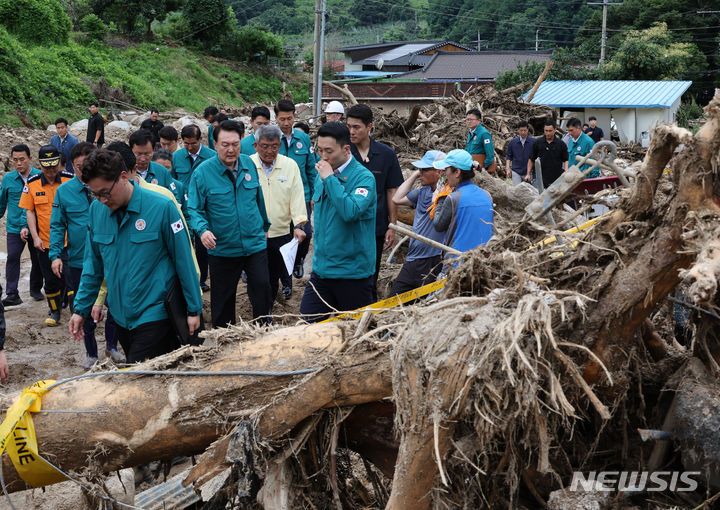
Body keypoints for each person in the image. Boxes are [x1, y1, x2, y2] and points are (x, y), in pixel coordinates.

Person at [69, 150, 202, 363]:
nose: (102, 200)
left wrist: (194, 309)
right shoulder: (97, 211)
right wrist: (81, 309)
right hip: (121, 317)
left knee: (137, 376)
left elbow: (184, 260)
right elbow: (93, 266)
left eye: (105, 192)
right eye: (95, 194)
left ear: (123, 177)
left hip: (156, 313)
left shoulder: (161, 207)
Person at [188, 120, 272, 326]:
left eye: (235, 143)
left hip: (254, 244)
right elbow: (193, 209)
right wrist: (203, 231)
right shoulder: (202, 172)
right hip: (223, 248)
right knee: (223, 300)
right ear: (214, 144)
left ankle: (264, 330)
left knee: (262, 289)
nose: (231, 149)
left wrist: (264, 227)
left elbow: (258, 199)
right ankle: (224, 339)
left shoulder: (249, 164)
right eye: (225, 144)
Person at [50, 142, 125, 368]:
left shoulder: (111, 189)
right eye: (81, 166)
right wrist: (55, 254)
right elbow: (56, 225)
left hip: (111, 258)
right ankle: (91, 353)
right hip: (80, 261)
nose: (86, 170)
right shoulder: (64, 192)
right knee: (84, 307)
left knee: (115, 303)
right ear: (73, 166)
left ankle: (112, 346)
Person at [299, 122, 376, 322]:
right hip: (322, 271)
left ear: (346, 149)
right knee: (307, 328)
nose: (323, 157)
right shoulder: (322, 173)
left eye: (329, 151)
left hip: (352, 274)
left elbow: (350, 212)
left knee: (353, 336)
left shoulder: (363, 178)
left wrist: (330, 179)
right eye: (319, 150)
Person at [347, 104, 403, 300]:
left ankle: (368, 306)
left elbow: (391, 191)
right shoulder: (343, 153)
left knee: (372, 269)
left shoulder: (386, 154)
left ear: (369, 127)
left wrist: (392, 225)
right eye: (349, 127)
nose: (351, 132)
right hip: (348, 224)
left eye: (356, 127)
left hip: (376, 226)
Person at [249, 125, 307, 305]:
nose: (269, 151)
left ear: (280, 146)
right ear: (256, 145)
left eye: (274, 146)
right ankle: (258, 308)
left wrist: (299, 225)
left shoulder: (290, 166)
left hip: (280, 232)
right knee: (256, 277)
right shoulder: (247, 164)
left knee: (273, 275)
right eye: (265, 146)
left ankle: (267, 310)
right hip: (254, 234)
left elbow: (297, 196)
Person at [19, 145, 73, 326]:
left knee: (70, 277)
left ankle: (76, 312)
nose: (51, 171)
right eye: (46, 167)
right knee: (50, 280)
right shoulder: (32, 184)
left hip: (68, 242)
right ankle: (55, 311)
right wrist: (35, 237)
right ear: (40, 166)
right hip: (45, 242)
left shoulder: (69, 180)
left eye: (54, 166)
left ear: (59, 164)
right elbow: (30, 212)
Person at [390, 150, 447, 295]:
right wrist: (416, 174)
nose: (420, 173)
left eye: (424, 169)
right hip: (412, 258)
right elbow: (396, 199)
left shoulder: (447, 196)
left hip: (433, 259)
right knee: (393, 300)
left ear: (439, 172)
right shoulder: (422, 192)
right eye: (419, 169)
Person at [274, 99, 318, 280]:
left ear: (294, 117)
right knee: (283, 236)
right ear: (275, 118)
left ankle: (299, 259)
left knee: (306, 234)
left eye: (289, 118)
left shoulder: (304, 139)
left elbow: (311, 169)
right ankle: (284, 274)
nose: (286, 123)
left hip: (302, 196)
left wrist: (314, 194)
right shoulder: (271, 139)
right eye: (282, 119)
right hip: (278, 196)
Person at [172, 124, 216, 292]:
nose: (189, 148)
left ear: (200, 140)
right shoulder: (177, 157)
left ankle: (202, 278)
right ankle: (189, 277)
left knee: (203, 245)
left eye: (193, 144)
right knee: (185, 243)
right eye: (186, 144)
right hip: (183, 208)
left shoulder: (211, 156)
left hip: (204, 208)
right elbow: (173, 181)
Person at [0, 145, 44, 306]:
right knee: (12, 258)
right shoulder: (8, 179)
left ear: (30, 159)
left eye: (22, 159)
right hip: (14, 227)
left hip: (35, 227)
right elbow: (1, 202)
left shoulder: (40, 176)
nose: (18, 163)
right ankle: (12, 293)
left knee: (37, 258)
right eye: (15, 160)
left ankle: (35, 289)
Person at [433, 149, 494, 258]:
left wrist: (440, 197)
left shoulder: (453, 198)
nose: (444, 174)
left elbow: (438, 225)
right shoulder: (487, 195)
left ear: (457, 172)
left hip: (456, 261)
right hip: (483, 259)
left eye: (446, 169)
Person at [527, 119, 568, 190]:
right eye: (546, 131)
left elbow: (566, 159)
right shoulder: (537, 143)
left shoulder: (561, 144)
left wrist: (565, 171)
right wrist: (528, 174)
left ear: (555, 130)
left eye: (550, 131)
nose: (548, 133)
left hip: (556, 178)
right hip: (540, 178)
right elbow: (531, 159)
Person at [505, 120, 535, 185]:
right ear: (518, 130)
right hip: (516, 171)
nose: (523, 132)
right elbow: (508, 156)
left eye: (525, 130)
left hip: (529, 172)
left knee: (528, 192)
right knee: (517, 191)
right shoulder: (513, 142)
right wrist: (508, 169)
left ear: (528, 130)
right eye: (521, 130)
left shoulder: (533, 142)